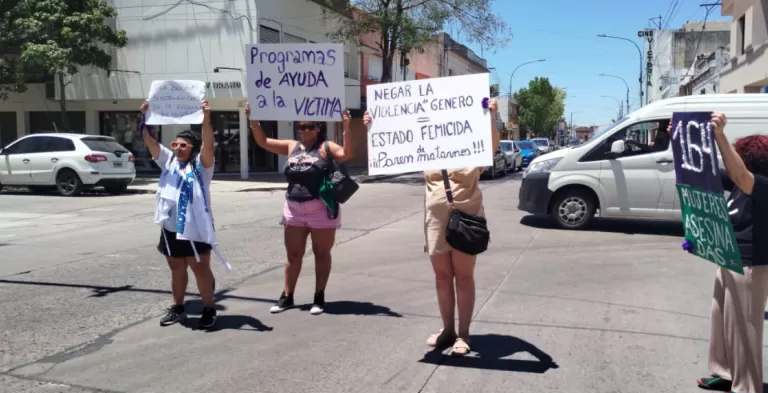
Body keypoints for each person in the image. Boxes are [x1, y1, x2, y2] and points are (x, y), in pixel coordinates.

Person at [363, 98, 500, 356]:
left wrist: (491, 116)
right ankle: (447, 329)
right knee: (442, 277)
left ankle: (464, 333)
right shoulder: (427, 148)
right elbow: (393, 147)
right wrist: (374, 127)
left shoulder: (472, 149)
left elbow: (492, 145)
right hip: (435, 221)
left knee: (464, 277)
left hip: (466, 219)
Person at [696, 112, 768, 393]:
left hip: (752, 265)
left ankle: (747, 389)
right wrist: (684, 138)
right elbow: (702, 170)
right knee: (721, 318)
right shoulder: (741, 183)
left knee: (745, 326)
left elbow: (737, 173)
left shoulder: (766, 187)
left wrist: (720, 136)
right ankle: (725, 372)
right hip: (731, 258)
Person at [246, 105, 354, 315]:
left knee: (321, 253)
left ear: (317, 128)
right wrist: (253, 120)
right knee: (293, 254)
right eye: (300, 126)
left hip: (320, 208)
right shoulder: (291, 146)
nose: (303, 130)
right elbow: (263, 141)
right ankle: (287, 296)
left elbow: (347, 154)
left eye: (308, 126)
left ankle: (319, 297)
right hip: (293, 208)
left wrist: (347, 127)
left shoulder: (325, 147)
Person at [140, 99, 225, 329]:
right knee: (177, 267)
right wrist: (145, 118)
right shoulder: (168, 161)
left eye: (183, 146)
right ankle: (178, 308)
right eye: (175, 144)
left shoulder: (202, 165)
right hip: (170, 227)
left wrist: (206, 118)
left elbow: (208, 143)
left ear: (193, 148)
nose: (178, 149)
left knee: (200, 269)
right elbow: (150, 142)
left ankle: (209, 308)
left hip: (196, 227)